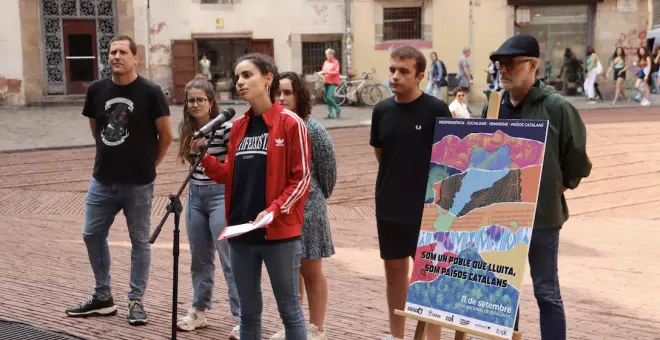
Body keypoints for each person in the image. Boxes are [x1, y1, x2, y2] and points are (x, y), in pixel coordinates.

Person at [192, 53, 311, 340]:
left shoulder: (290, 123)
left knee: (290, 310)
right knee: (248, 311)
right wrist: (205, 158)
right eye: (237, 77)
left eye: (247, 75)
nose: (240, 82)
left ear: (268, 78)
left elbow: (302, 177)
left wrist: (274, 209)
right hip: (240, 232)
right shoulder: (238, 127)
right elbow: (230, 177)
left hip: (278, 233)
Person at [483, 34, 592, 340]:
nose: (503, 70)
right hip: (500, 218)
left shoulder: (557, 107)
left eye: (512, 64)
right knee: (503, 293)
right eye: (499, 64)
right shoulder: (493, 107)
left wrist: (555, 188)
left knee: (546, 291)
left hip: (542, 219)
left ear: (533, 65)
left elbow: (577, 160)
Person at [66, 36, 174, 326]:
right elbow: (95, 128)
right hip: (102, 180)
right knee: (91, 235)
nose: (116, 56)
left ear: (135, 58)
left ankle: (136, 300)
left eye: (122, 52)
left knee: (140, 241)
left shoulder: (151, 92)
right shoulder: (97, 90)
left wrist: (150, 165)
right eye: (112, 52)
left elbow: (166, 136)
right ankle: (103, 297)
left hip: (138, 184)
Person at [370, 46, 452, 340]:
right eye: (392, 69)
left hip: (428, 209)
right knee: (394, 275)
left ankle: (433, 338)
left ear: (419, 76)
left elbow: (448, 160)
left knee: (430, 277)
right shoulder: (381, 111)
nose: (395, 76)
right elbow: (382, 154)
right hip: (390, 206)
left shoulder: (437, 110)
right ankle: (397, 336)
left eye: (403, 71)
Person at [271, 72, 337, 340]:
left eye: (287, 93)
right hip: (283, 209)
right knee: (289, 272)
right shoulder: (274, 126)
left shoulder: (314, 129)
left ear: (300, 96)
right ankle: (293, 325)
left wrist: (315, 197)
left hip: (310, 208)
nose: (282, 98)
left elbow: (328, 173)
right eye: (278, 93)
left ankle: (316, 328)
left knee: (311, 270)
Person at [174, 74, 241, 339]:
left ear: (212, 103)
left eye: (200, 100)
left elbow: (231, 168)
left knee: (229, 259)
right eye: (191, 101)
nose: (195, 105)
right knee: (199, 259)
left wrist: (207, 152)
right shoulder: (188, 129)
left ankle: (242, 316)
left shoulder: (227, 128)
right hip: (195, 196)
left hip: (219, 196)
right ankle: (198, 310)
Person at [318, 48, 342, 119]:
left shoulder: (336, 62)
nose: (327, 55)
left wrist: (327, 72)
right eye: (326, 54)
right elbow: (323, 70)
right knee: (327, 99)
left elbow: (336, 72)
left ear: (332, 54)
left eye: (329, 54)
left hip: (333, 82)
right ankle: (330, 114)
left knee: (329, 97)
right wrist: (319, 73)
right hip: (326, 81)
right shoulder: (326, 62)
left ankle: (338, 108)